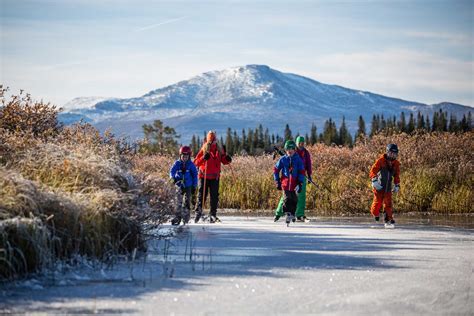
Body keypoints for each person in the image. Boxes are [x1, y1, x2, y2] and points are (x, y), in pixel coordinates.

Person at [193, 131, 232, 223]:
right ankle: (198, 213)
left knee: (214, 197)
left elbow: (224, 161)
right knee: (201, 196)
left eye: (213, 140)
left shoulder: (219, 149)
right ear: (208, 140)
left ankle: (213, 214)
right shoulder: (204, 149)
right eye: (210, 141)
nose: (212, 142)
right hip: (204, 176)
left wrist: (227, 159)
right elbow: (195, 162)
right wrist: (203, 158)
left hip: (215, 177)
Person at [274, 136, 313, 222]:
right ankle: (280, 213)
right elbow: (278, 167)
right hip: (287, 182)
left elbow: (308, 165)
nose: (301, 145)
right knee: (286, 198)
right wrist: (277, 181)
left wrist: (309, 175)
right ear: (296, 143)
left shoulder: (305, 153)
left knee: (299, 198)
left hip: (300, 178)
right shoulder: (290, 153)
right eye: (299, 143)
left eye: (302, 143)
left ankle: (299, 214)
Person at [369, 143, 401, 225]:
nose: (392, 155)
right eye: (391, 153)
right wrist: (374, 180)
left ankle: (388, 219)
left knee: (388, 204)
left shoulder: (396, 164)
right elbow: (373, 170)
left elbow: (397, 175)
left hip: (388, 188)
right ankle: (375, 215)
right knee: (377, 205)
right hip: (379, 187)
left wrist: (397, 184)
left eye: (394, 154)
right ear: (387, 152)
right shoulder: (381, 161)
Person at [169, 146, 198, 225]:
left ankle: (186, 217)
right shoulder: (177, 163)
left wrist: (194, 186)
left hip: (188, 186)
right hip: (179, 185)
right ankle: (177, 217)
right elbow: (172, 171)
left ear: (189, 156)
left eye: (186, 156)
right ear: (180, 156)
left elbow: (195, 175)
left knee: (187, 201)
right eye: (183, 156)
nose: (184, 158)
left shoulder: (191, 165)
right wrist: (172, 178)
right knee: (178, 201)